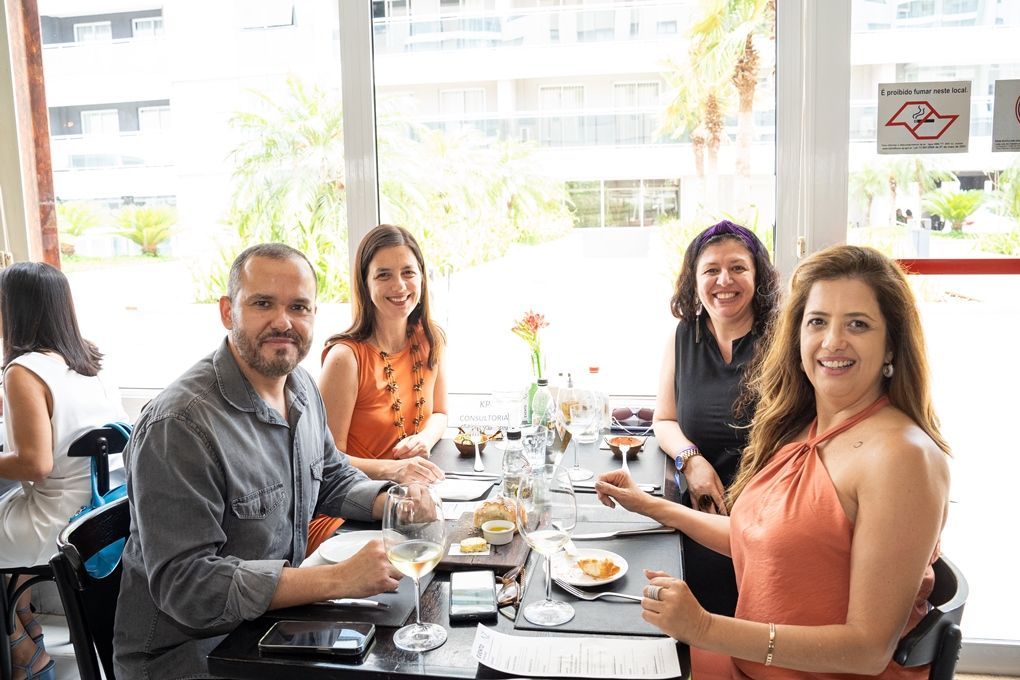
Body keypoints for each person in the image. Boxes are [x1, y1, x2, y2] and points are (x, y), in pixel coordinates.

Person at [596, 245, 950, 679]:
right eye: (817, 321)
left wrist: (706, 627)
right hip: (750, 664)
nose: (832, 341)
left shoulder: (900, 457)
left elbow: (868, 649)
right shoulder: (805, 429)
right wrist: (650, 505)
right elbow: (760, 539)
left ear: (892, 345)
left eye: (858, 324)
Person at [113, 244, 403, 680]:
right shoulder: (179, 424)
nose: (283, 322)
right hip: (190, 657)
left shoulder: (300, 384)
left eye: (299, 307)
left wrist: (397, 501)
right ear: (228, 310)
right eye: (263, 303)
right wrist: (339, 579)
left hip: (269, 630)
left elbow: (328, 476)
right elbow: (187, 584)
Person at [0, 262, 126, 680]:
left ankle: (22, 650)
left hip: (57, 525)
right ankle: (26, 629)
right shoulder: (91, 362)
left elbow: (35, 464)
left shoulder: (23, 370)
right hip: (100, 516)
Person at [652, 219, 778, 616]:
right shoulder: (682, 335)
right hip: (699, 508)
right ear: (694, 279)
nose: (725, 280)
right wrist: (692, 461)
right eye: (711, 270)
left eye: (738, 267)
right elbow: (664, 420)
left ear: (758, 275)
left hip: (767, 516)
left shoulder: (783, 337)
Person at [311, 225, 447, 552]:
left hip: (408, 502)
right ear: (365, 283)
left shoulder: (429, 339)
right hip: (348, 514)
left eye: (408, 272)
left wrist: (422, 441)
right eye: (383, 274)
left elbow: (440, 413)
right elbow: (324, 463)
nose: (399, 286)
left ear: (422, 278)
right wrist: (396, 469)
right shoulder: (346, 358)